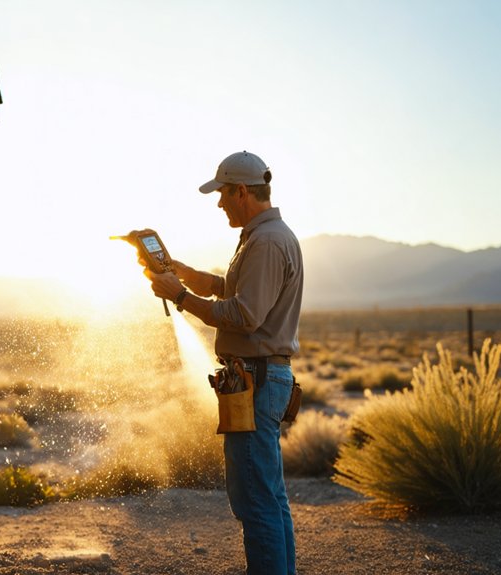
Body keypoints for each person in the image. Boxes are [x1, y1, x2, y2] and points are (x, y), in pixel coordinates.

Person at [145, 150, 303, 575]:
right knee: (269, 498)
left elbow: (244, 315)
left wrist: (178, 297)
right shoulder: (264, 237)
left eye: (222, 195)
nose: (218, 204)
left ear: (240, 191)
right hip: (261, 378)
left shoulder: (267, 242)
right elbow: (229, 289)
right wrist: (182, 273)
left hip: (256, 380)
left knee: (255, 502)